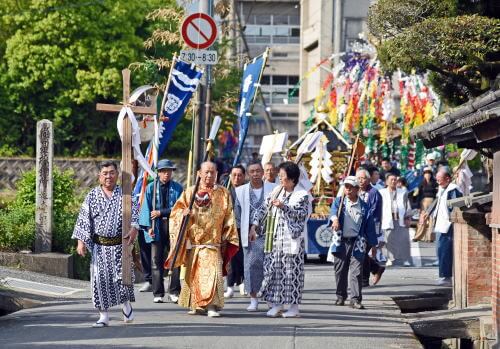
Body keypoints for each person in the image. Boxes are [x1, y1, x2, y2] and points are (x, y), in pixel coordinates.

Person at [165, 161, 239, 317]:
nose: (209, 175)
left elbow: (229, 216)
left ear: (217, 174)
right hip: (195, 244)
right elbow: (176, 213)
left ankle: (211, 305)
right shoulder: (190, 192)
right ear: (199, 173)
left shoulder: (223, 193)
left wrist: (228, 235)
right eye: (206, 172)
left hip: (213, 244)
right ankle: (197, 304)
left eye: (212, 172)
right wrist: (183, 215)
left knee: (212, 274)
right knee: (195, 275)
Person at [72, 161, 139, 328]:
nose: (108, 176)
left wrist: (133, 230)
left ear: (117, 175)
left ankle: (126, 305)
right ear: (99, 177)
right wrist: (81, 242)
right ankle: (104, 316)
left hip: (120, 246)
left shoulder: (125, 194)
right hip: (100, 248)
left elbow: (136, 215)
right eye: (105, 173)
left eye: (111, 172)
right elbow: (83, 220)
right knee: (99, 281)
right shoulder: (92, 196)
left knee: (123, 280)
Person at [251, 161, 311, 318]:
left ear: (292, 179)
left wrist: (284, 206)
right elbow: (263, 208)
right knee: (275, 272)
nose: (280, 179)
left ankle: (294, 307)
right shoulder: (277, 191)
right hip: (275, 240)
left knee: (292, 274)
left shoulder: (302, 195)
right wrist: (255, 223)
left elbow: (301, 213)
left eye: (283, 176)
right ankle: (277, 305)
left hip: (292, 241)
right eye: (280, 176)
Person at [138, 159, 183, 303]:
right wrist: (148, 227)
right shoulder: (151, 188)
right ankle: (158, 293)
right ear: (158, 172)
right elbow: (145, 209)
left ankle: (174, 291)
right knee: (155, 261)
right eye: (164, 171)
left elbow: (180, 208)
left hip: (173, 227)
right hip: (156, 227)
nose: (167, 174)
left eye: (169, 171)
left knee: (174, 260)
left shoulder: (178, 188)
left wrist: (161, 212)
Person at [234, 161, 277, 311]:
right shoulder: (241, 191)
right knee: (251, 266)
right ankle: (253, 299)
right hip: (250, 235)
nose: (256, 174)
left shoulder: (274, 189)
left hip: (270, 233)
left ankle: (271, 299)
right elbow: (237, 215)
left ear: (263, 172)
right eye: (252, 171)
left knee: (271, 267)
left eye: (258, 171)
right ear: (247, 174)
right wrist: (242, 232)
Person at [329, 176, 377, 309]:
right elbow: (333, 212)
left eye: (351, 187)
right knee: (340, 270)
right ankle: (340, 295)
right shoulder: (339, 202)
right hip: (340, 240)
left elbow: (370, 227)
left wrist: (373, 245)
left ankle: (355, 299)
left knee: (356, 271)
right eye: (346, 187)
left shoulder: (364, 207)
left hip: (358, 241)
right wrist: (335, 220)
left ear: (357, 189)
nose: (348, 190)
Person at [423, 167, 462, 286]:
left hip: (448, 225)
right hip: (440, 224)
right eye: (437, 179)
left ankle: (446, 277)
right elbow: (437, 201)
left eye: (440, 179)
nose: (438, 181)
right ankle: (444, 275)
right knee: (440, 251)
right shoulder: (442, 189)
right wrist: (428, 212)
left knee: (445, 251)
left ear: (447, 179)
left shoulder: (453, 190)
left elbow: (455, 207)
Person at [356, 169, 385, 286]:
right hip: (357, 227)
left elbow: (372, 213)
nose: (360, 181)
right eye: (358, 178)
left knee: (362, 251)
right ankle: (376, 268)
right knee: (359, 251)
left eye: (363, 178)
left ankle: (364, 279)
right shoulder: (356, 191)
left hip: (370, 227)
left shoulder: (373, 193)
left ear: (368, 180)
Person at [380, 173, 413, 267]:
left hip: (400, 218)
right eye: (392, 180)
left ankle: (406, 259)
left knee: (404, 240)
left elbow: (407, 206)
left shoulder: (403, 192)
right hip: (387, 218)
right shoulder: (381, 192)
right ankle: (390, 258)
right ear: (386, 182)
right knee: (388, 240)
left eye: (395, 180)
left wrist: (408, 218)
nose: (394, 181)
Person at [225, 164, 246, 298]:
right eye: (234, 175)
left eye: (239, 175)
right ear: (230, 177)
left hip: (244, 228)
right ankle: (230, 286)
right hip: (229, 229)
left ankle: (244, 283)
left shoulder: (248, 191)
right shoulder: (225, 192)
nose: (237, 178)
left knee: (244, 257)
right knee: (230, 258)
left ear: (244, 177)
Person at [414, 167, 438, 242]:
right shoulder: (421, 183)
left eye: (429, 173)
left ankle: (430, 238)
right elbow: (418, 194)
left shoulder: (435, 183)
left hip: (433, 202)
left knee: (432, 220)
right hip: (423, 202)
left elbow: (437, 193)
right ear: (424, 175)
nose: (427, 175)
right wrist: (418, 205)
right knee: (422, 220)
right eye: (426, 173)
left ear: (431, 174)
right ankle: (418, 237)